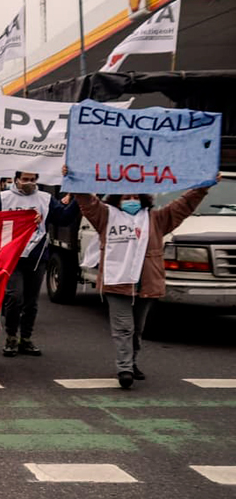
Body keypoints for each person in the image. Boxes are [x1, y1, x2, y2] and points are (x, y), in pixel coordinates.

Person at [65, 165, 217, 389]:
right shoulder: (106, 217)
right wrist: (75, 179)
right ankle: (124, 368)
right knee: (123, 328)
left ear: (144, 199)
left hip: (146, 283)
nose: (131, 200)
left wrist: (203, 186)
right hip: (117, 282)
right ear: (117, 200)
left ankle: (132, 362)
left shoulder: (156, 219)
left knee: (137, 329)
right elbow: (88, 203)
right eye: (126, 197)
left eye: (136, 196)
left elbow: (182, 206)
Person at [0, 171, 78, 358]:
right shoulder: (3, 198)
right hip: (12, 257)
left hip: (37, 257)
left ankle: (25, 339)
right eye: (25, 179)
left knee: (31, 302)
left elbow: (64, 218)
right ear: (16, 179)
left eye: (33, 180)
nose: (29, 183)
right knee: (14, 296)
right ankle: (11, 336)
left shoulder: (45, 199)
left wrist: (78, 197)